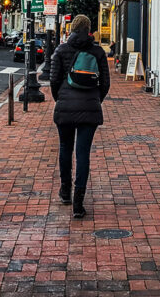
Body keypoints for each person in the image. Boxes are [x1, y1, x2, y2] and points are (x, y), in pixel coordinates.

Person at [50, 14, 110, 218]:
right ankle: (78, 202)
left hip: (65, 107)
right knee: (82, 153)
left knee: (65, 148)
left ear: (72, 29)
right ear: (89, 29)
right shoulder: (98, 52)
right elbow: (106, 83)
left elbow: (54, 80)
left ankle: (65, 190)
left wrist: (60, 98)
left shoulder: (61, 50)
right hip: (89, 110)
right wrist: (95, 100)